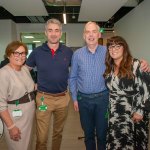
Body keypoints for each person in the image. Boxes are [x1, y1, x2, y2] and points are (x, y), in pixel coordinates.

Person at [69, 21, 150, 150]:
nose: (91, 35)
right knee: (88, 134)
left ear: (99, 34)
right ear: (84, 35)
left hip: (103, 99)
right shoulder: (77, 54)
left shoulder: (107, 52)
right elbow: (72, 77)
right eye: (88, 32)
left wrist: (142, 63)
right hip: (83, 100)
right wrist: (74, 98)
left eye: (94, 31)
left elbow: (125, 60)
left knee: (103, 134)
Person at [26, 18, 73, 150]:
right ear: (45, 32)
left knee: (58, 133)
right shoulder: (37, 52)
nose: (53, 33)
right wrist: (31, 83)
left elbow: (76, 72)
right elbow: (24, 70)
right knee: (41, 137)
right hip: (43, 99)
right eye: (50, 30)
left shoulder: (68, 52)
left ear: (61, 33)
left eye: (56, 30)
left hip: (63, 98)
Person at [104, 36, 150, 150]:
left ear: (124, 48)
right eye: (111, 46)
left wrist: (140, 112)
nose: (114, 49)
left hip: (133, 114)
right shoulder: (109, 68)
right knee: (116, 143)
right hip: (115, 115)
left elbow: (146, 90)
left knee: (132, 144)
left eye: (118, 46)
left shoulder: (135, 65)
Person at [0, 41, 35, 150]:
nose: (20, 56)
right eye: (16, 53)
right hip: (15, 118)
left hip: (29, 115)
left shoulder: (24, 69)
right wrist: (11, 126)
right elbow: (1, 103)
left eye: (23, 53)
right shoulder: (3, 73)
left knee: (28, 144)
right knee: (18, 146)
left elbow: (30, 87)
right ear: (9, 55)